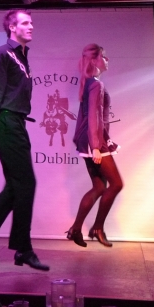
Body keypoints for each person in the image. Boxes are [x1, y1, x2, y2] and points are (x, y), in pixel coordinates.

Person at [0, 9, 49, 271]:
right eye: (25, 23)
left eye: (32, 22)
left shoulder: (22, 57)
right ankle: (23, 249)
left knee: (15, 187)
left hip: (17, 122)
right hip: (6, 123)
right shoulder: (2, 54)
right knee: (26, 183)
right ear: (12, 27)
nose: (31, 26)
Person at [67, 43, 123, 248]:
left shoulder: (90, 83)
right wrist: (96, 146)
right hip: (94, 140)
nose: (107, 60)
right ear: (94, 60)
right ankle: (97, 228)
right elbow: (93, 117)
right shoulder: (96, 84)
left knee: (99, 186)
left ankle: (75, 229)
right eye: (104, 57)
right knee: (116, 184)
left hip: (90, 140)